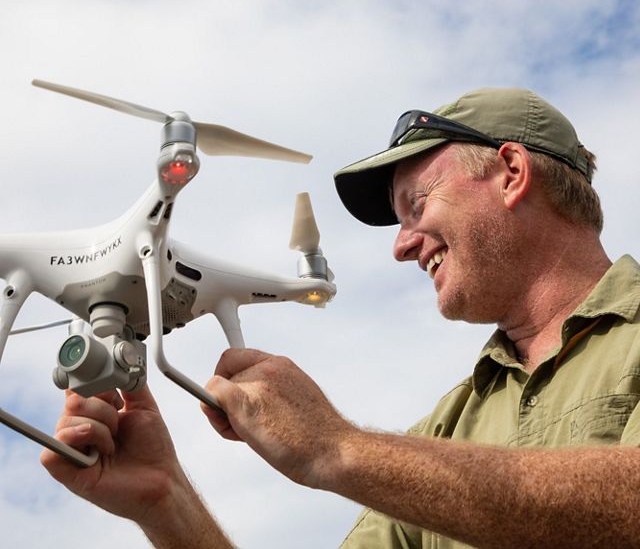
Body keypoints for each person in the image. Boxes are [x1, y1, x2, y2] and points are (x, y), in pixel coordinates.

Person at [42, 87, 640, 548]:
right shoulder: (450, 429)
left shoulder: (401, 456)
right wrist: (165, 501)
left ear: (511, 174)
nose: (402, 246)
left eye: (416, 204)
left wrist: (337, 448)